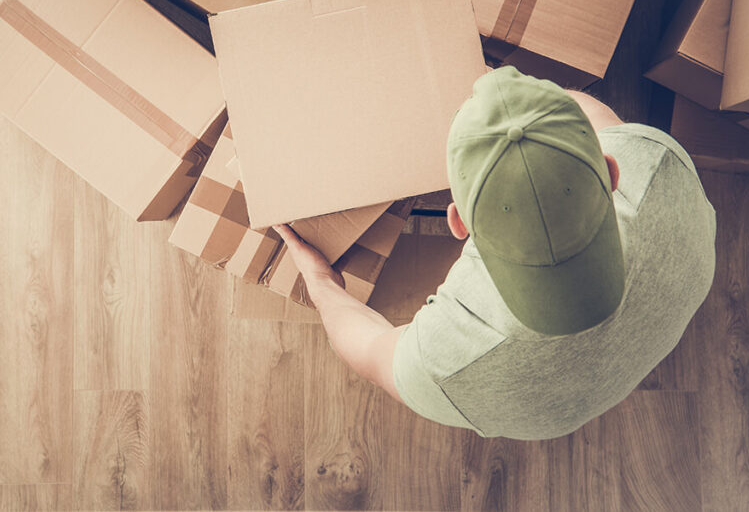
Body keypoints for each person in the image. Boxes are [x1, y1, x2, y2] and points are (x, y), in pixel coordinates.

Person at [274, 66, 717, 440]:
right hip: (656, 322)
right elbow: (590, 114)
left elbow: (369, 351)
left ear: (458, 223)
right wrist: (519, 103)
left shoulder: (450, 360)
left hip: (540, 413)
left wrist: (319, 280)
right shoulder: (656, 162)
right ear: (610, 170)